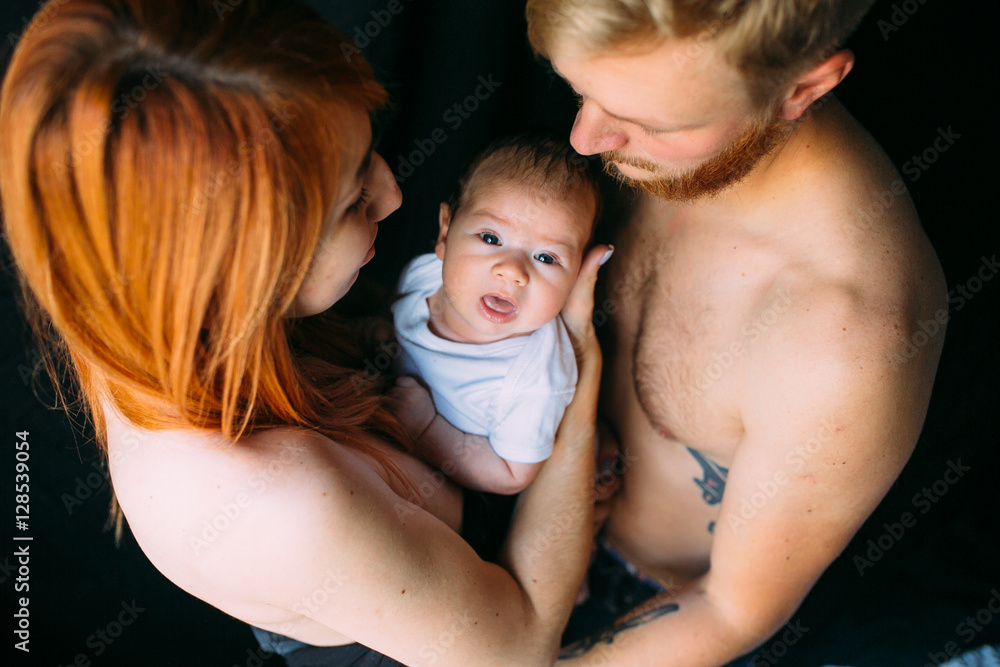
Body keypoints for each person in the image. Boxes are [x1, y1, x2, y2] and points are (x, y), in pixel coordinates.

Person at [0, 1, 613, 665]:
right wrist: (574, 360)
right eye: (353, 199)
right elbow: (518, 649)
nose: (393, 195)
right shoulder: (271, 501)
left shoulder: (148, 303)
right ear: (239, 272)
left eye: (370, 151)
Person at [525, 0, 948, 665]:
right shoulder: (649, 130)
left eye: (653, 124)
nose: (584, 137)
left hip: (660, 608)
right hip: (521, 510)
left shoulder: (843, 331)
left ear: (802, 89)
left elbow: (730, 608)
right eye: (580, 91)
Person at [389, 134, 605, 495]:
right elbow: (396, 320)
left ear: (576, 278)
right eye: (490, 238)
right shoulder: (423, 275)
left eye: (547, 258)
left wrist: (426, 429)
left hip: (469, 490)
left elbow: (511, 475)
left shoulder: (534, 376)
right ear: (445, 232)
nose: (513, 271)